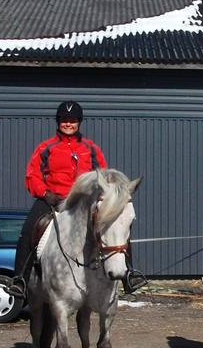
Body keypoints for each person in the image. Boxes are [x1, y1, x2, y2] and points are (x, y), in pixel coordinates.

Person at [9, 101, 146, 297]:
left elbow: (104, 175)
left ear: (79, 123)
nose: (68, 124)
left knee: (117, 222)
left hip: (86, 203)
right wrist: (46, 193)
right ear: (58, 122)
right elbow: (32, 175)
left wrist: (104, 196)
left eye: (73, 121)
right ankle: (20, 279)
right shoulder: (46, 148)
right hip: (53, 200)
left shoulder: (91, 149)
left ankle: (129, 274)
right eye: (65, 120)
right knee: (30, 228)